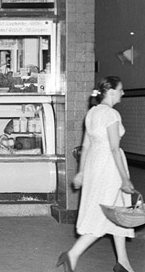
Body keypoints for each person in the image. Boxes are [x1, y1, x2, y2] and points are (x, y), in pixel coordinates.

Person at [57, 76, 136, 272]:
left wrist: (81, 172)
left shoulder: (92, 113)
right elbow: (114, 149)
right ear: (111, 92)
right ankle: (72, 254)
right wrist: (125, 179)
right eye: (121, 90)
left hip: (95, 166)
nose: (123, 93)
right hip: (110, 168)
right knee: (106, 214)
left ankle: (123, 263)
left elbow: (85, 145)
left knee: (118, 211)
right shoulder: (111, 115)